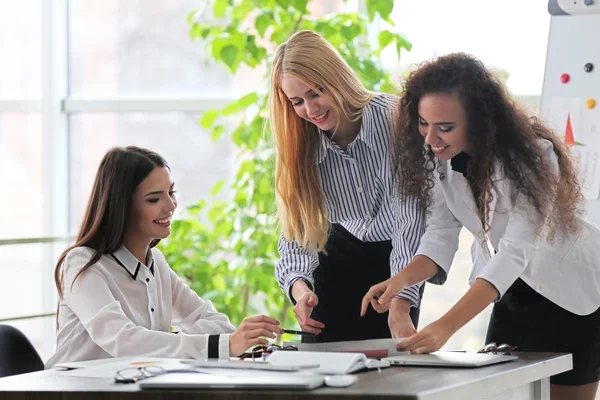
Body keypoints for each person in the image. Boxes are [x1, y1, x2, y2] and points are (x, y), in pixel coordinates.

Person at [361, 53, 600, 400]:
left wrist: (445, 326)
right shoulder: (439, 161)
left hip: (572, 294)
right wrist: (400, 280)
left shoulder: (536, 155)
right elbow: (440, 234)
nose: (431, 138)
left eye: (445, 127)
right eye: (424, 124)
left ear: (480, 120)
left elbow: (515, 250)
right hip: (510, 291)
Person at [46, 146, 282, 368]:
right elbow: (123, 341)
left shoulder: (155, 262)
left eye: (171, 192)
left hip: (132, 388)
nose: (170, 205)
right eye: (154, 199)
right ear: (122, 206)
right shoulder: (83, 264)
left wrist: (157, 344)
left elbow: (217, 322)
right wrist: (219, 345)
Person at [270, 30, 425, 343]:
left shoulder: (395, 121)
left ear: (336, 77)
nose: (310, 110)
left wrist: (402, 299)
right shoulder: (299, 143)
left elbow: (412, 219)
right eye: (297, 101)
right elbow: (297, 228)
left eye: (316, 92)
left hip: (397, 262)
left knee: (390, 377)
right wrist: (300, 289)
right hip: (334, 262)